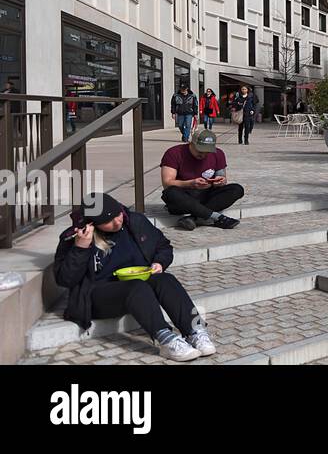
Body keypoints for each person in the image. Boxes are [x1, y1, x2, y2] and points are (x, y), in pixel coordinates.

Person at [52, 192, 215, 361]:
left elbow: (163, 246)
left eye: (118, 214)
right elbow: (65, 279)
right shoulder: (75, 237)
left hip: (137, 284)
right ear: (93, 223)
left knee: (166, 280)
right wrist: (80, 249)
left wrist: (159, 262)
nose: (117, 221)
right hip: (97, 295)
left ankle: (195, 331)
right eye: (109, 221)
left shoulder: (134, 222)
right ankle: (167, 341)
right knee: (137, 287)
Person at [160, 132, 243, 231]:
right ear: (191, 143)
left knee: (237, 189)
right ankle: (217, 217)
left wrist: (220, 181)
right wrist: (190, 183)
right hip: (184, 196)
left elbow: (221, 176)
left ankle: (193, 218)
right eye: (200, 150)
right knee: (171, 193)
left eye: (207, 151)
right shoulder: (174, 153)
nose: (203, 154)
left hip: (206, 195)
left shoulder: (218, 153)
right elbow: (167, 182)